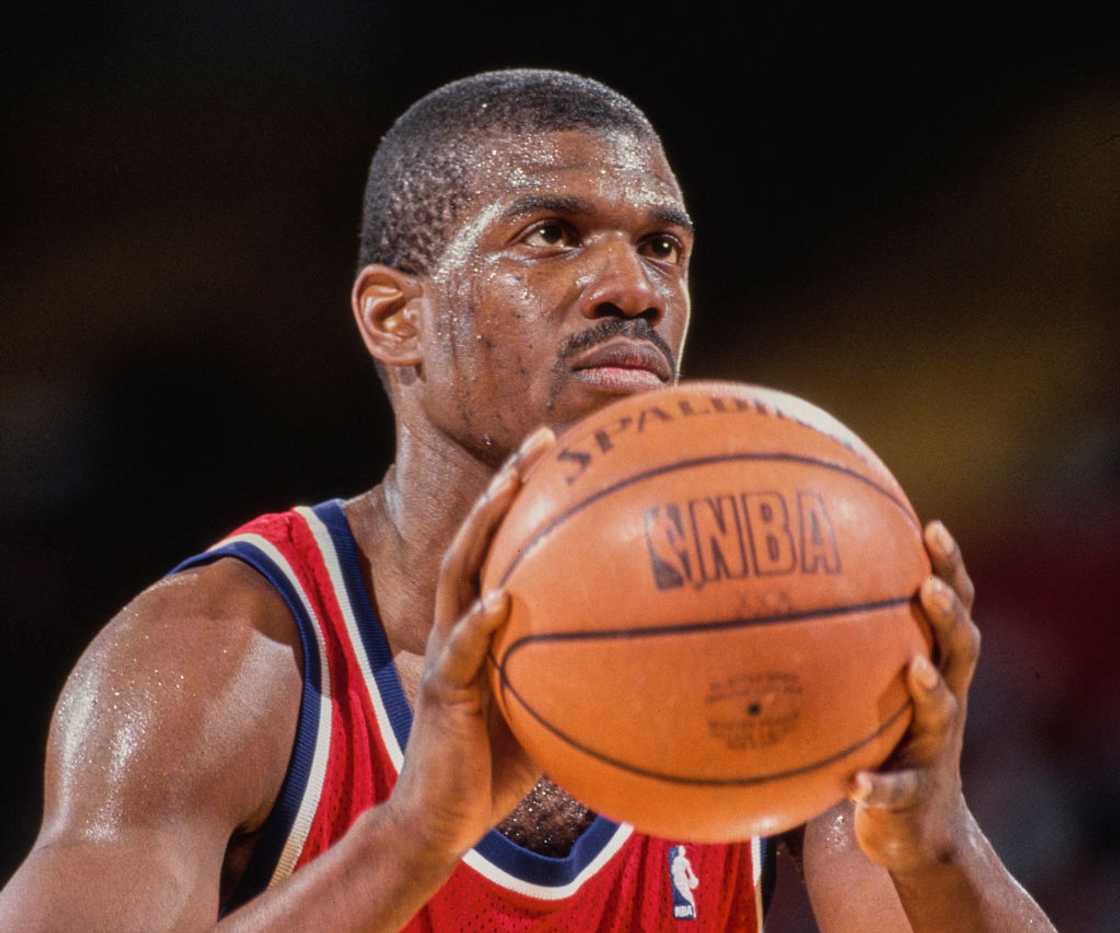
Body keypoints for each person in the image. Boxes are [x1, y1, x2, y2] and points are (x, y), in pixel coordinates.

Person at [0, 69, 1056, 932]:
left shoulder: (767, 634)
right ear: (393, 317)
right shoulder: (223, 661)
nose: (633, 287)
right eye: (552, 234)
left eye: (661, 247)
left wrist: (939, 842)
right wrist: (411, 838)